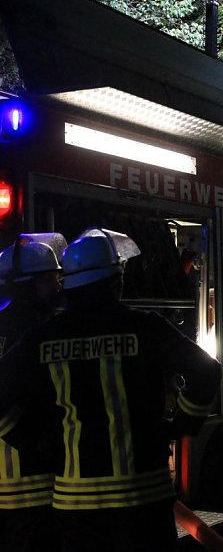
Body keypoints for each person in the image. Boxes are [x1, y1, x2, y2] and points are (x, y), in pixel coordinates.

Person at [0, 228, 222, 551]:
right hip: (145, 494)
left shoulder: (42, 338)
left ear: (69, 285)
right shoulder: (146, 327)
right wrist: (181, 424)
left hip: (75, 502)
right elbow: (206, 370)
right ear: (117, 281)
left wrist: (35, 443)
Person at [0, 233, 67, 552]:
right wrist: (35, 443)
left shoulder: (24, 325)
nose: (57, 287)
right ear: (27, 284)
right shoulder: (29, 332)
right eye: (49, 280)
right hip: (26, 481)